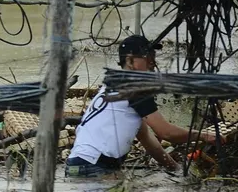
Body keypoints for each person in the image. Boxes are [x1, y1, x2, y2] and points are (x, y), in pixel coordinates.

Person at [65, 35, 218, 178]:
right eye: (147, 57)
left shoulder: (112, 86)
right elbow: (166, 133)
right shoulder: (135, 87)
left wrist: (177, 169)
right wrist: (204, 135)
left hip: (75, 165)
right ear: (130, 61)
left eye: (153, 56)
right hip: (94, 167)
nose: (153, 62)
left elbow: (150, 143)